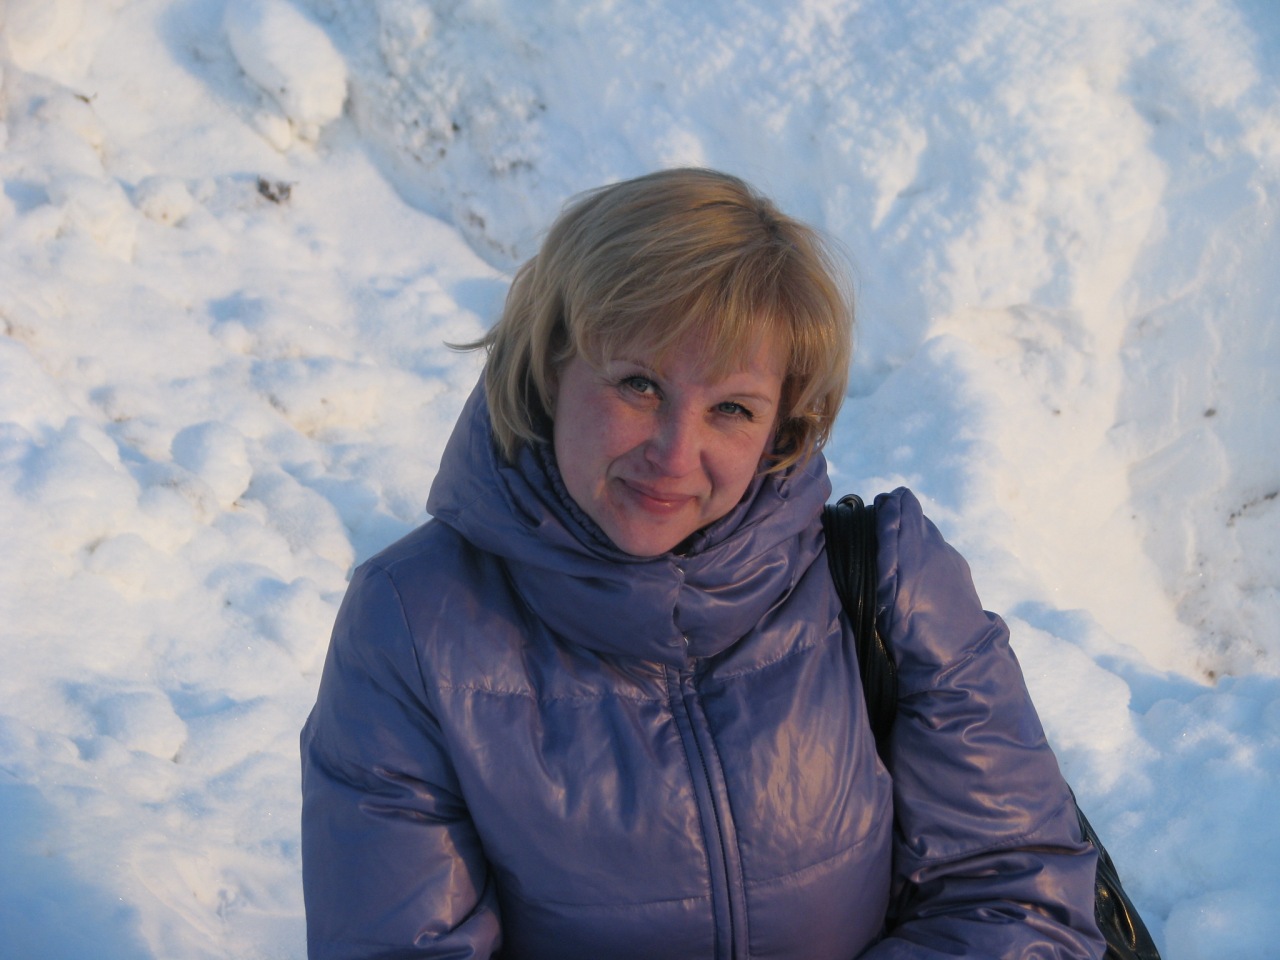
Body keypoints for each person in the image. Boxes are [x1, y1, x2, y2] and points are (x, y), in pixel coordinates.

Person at [300, 168, 1105, 959]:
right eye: (639, 385)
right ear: (549, 368)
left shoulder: (890, 585)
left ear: (782, 423)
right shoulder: (413, 624)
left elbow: (1021, 900)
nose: (675, 453)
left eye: (731, 408)